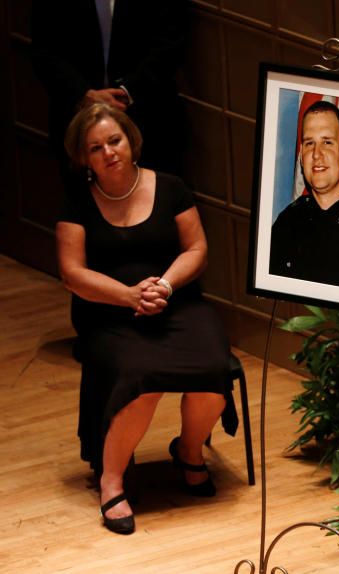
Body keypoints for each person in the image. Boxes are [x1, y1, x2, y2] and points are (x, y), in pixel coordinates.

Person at [57, 103, 237, 534]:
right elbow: (72, 273)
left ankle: (189, 452)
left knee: (213, 370)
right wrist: (129, 295)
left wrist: (164, 287)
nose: (108, 152)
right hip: (109, 314)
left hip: (177, 302)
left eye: (114, 141)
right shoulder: (77, 201)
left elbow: (196, 249)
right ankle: (112, 479)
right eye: (95, 147)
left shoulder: (171, 187)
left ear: (130, 141)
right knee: (142, 377)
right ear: (85, 158)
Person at [31, 0, 187, 175]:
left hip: (151, 120)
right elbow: (44, 50)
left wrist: (127, 92)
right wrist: (84, 94)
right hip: (77, 123)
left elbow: (171, 42)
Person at [269, 100, 339, 291]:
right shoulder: (286, 224)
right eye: (309, 143)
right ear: (301, 157)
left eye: (327, 142)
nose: (316, 154)